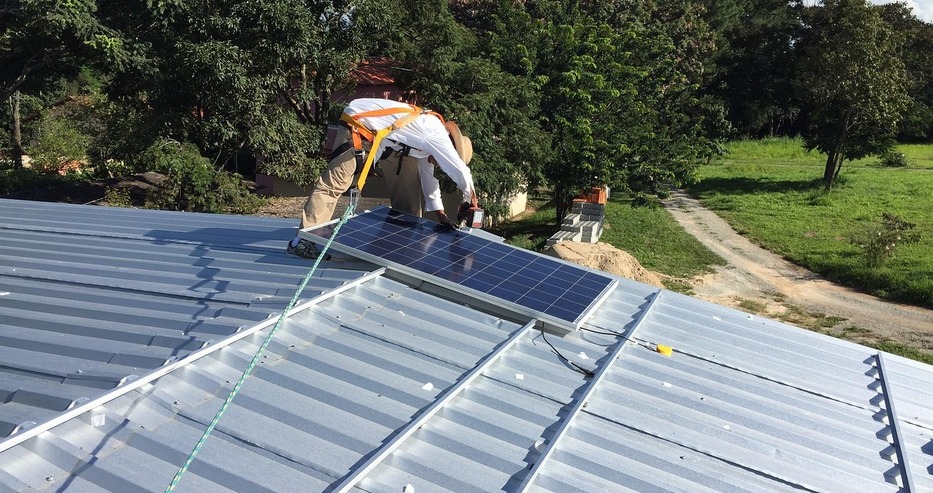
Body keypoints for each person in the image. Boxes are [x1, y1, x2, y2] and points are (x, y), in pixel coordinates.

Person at [288, 98, 478, 259]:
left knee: (356, 182)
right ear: (449, 149)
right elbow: (460, 170)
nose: (439, 165)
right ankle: (302, 242)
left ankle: (397, 242)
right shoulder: (435, 135)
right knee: (334, 185)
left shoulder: (427, 143)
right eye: (443, 160)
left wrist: (441, 215)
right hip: (358, 126)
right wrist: (471, 200)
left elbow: (429, 180)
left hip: (375, 136)